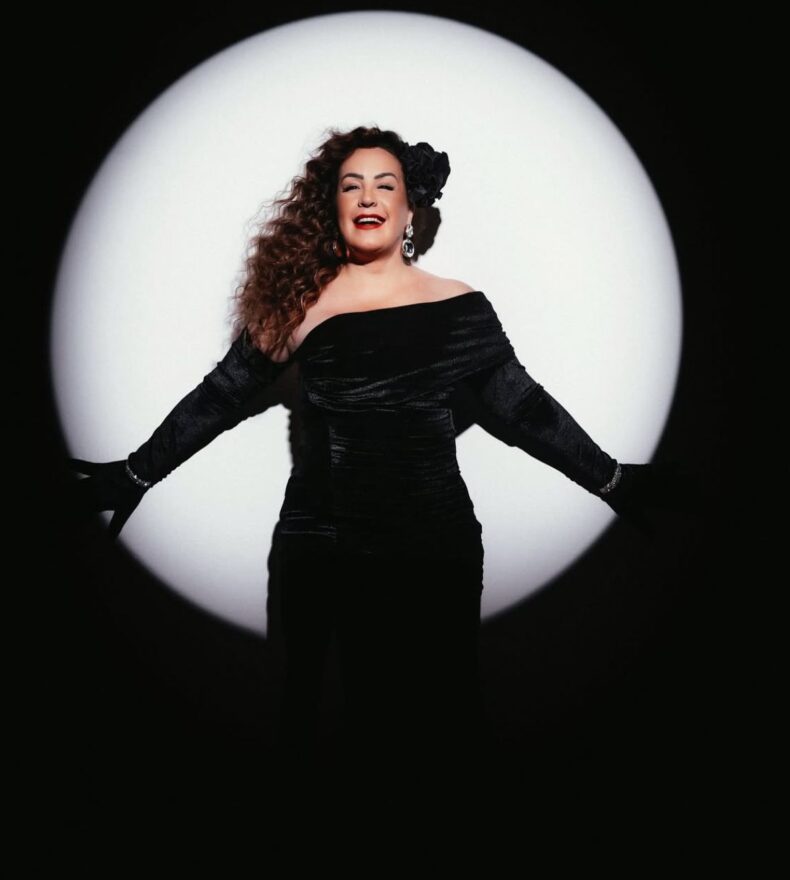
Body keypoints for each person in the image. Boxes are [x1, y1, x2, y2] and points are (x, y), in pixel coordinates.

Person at [68, 125, 700, 804]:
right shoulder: (299, 303)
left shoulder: (459, 306)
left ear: (409, 209)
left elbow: (526, 410)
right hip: (322, 548)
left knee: (442, 729)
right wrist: (135, 474)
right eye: (351, 185)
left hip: (433, 547)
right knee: (310, 732)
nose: (367, 197)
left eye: (384, 184)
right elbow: (219, 396)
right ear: (333, 205)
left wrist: (612, 479)